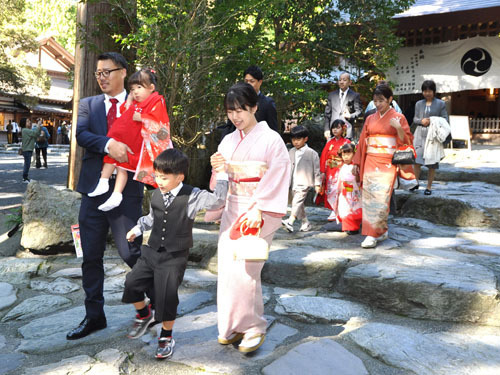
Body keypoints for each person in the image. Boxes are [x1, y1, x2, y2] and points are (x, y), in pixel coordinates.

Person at [67, 52, 147, 341]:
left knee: (130, 252)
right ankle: (94, 317)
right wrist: (109, 144)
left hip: (127, 191)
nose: (101, 77)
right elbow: (82, 135)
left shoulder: (140, 101)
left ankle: (155, 300)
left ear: (123, 72)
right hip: (93, 190)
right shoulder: (88, 104)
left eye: (107, 72)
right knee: (90, 255)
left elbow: (154, 135)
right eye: (98, 73)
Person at [123, 148, 228, 359]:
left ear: (179, 176)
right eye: (157, 176)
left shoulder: (192, 195)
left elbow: (218, 200)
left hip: (174, 256)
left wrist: (223, 174)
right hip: (151, 251)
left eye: (164, 177)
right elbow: (151, 218)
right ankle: (144, 314)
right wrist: (137, 229)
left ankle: (166, 336)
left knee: (167, 298)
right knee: (131, 283)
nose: (159, 181)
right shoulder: (155, 195)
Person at [211, 82, 290, 353]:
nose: (235, 117)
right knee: (228, 268)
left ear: (255, 107)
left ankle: (254, 326)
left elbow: (278, 174)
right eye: (231, 111)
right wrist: (219, 169)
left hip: (259, 209)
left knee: (247, 269)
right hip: (233, 206)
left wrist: (259, 207)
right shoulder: (228, 139)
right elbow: (222, 179)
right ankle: (232, 326)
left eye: (241, 110)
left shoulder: (272, 140)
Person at [88, 68, 171, 211]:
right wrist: (129, 100)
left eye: (139, 87)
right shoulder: (136, 103)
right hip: (124, 139)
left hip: (137, 142)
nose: (135, 92)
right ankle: (104, 182)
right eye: (132, 89)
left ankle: (116, 194)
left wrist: (143, 118)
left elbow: (160, 122)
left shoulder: (157, 101)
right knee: (114, 159)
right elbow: (125, 114)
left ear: (151, 88)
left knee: (122, 166)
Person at [353, 83, 414, 248]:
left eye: (381, 100)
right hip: (370, 160)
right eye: (375, 101)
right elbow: (362, 143)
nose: (378, 104)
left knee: (381, 197)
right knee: (368, 197)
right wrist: (357, 163)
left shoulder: (398, 118)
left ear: (390, 99)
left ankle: (372, 234)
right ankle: (380, 231)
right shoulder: (370, 118)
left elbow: (407, 141)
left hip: (387, 162)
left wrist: (398, 128)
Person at [218, 65, 278, 139]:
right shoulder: (237, 100)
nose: (248, 84)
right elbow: (230, 126)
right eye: (246, 81)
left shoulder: (267, 103)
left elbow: (273, 128)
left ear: (260, 82)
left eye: (252, 81)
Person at [411, 80, 449, 195]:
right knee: (417, 162)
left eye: (429, 91)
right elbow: (415, 119)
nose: (427, 93)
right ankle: (415, 183)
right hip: (419, 135)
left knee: (432, 164)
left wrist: (432, 120)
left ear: (434, 91)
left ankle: (429, 187)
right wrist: (421, 121)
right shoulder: (418, 104)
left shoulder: (440, 104)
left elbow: (445, 119)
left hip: (433, 136)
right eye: (425, 91)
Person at [281, 125, 322, 233]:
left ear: (305, 139)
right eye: (293, 139)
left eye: (298, 139)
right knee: (299, 204)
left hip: (305, 181)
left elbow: (317, 170)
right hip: (293, 181)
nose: (296, 142)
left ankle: (290, 221)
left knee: (297, 201)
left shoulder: (312, 153)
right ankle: (305, 222)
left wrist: (318, 184)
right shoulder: (291, 152)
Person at [318, 119, 350, 221]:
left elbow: (350, 156)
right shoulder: (330, 142)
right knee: (331, 190)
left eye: (338, 128)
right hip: (331, 170)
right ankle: (333, 209)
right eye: (333, 128)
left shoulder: (347, 142)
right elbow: (324, 156)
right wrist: (322, 171)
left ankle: (338, 210)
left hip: (342, 169)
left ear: (343, 129)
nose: (335, 130)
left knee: (340, 189)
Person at [323, 72, 363, 141]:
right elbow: (327, 114)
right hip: (333, 131)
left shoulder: (354, 95)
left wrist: (350, 116)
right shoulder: (331, 95)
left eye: (344, 80)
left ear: (350, 82)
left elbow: (359, 111)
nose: (341, 82)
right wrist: (326, 129)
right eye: (340, 80)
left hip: (347, 131)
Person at [334, 143, 362, 234]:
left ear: (354, 154)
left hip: (354, 192)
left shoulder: (355, 167)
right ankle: (348, 226)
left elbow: (358, 179)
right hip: (345, 192)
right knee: (344, 209)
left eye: (348, 154)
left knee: (353, 209)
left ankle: (354, 227)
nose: (345, 157)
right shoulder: (343, 166)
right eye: (343, 154)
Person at [21, 119, 42, 183]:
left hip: (28, 149)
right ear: (24, 123)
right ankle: (25, 178)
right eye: (27, 121)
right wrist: (38, 126)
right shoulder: (25, 130)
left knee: (27, 163)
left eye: (29, 121)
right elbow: (35, 133)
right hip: (27, 149)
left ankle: (25, 177)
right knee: (27, 164)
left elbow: (36, 134)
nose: (29, 122)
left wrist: (38, 127)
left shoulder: (27, 130)